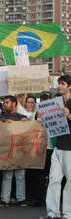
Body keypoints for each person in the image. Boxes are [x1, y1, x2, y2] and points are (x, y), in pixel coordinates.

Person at [41, 75, 71, 219]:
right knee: (54, 180)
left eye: (62, 83)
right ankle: (52, 213)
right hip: (58, 147)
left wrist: (69, 115)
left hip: (70, 148)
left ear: (69, 86)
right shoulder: (56, 102)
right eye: (58, 83)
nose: (59, 86)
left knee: (70, 181)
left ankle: (68, 213)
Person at [0, 95, 28, 207]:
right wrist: (4, 123)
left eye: (7, 102)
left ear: (14, 104)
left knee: (20, 176)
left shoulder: (22, 117)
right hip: (7, 152)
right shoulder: (1, 117)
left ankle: (21, 199)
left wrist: (27, 122)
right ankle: (5, 199)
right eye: (4, 102)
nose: (4, 104)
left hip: (19, 152)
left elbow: (30, 129)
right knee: (7, 176)